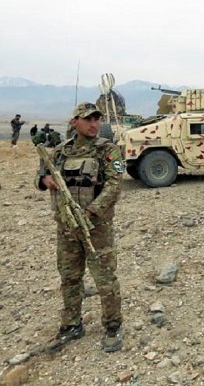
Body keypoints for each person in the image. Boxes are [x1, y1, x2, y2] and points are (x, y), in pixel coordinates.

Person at [36, 102, 124, 353]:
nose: (94, 124)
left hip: (96, 228)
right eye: (88, 119)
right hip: (66, 228)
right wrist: (45, 179)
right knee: (70, 278)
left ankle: (112, 326)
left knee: (105, 279)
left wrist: (91, 211)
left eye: (97, 119)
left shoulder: (107, 150)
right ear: (75, 122)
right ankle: (71, 324)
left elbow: (114, 185)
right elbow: (39, 176)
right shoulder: (60, 153)